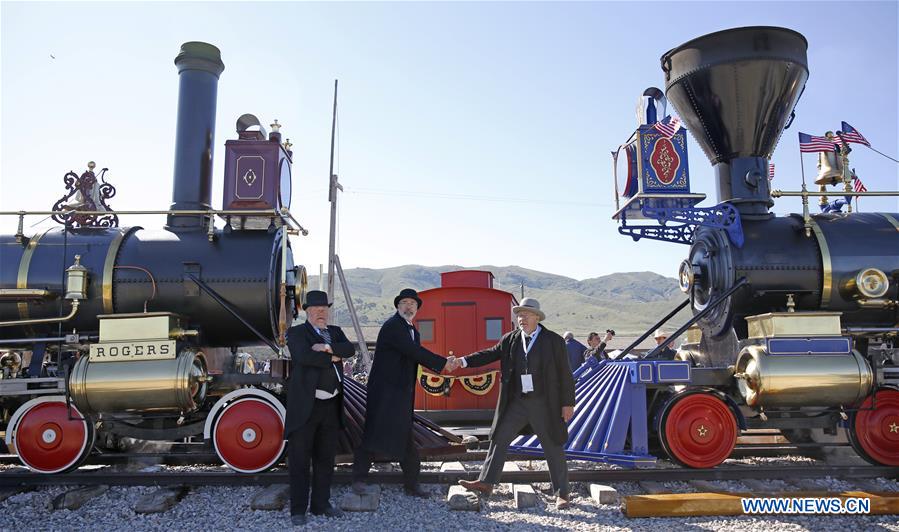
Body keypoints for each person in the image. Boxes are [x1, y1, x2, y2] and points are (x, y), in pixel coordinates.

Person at [446, 297, 576, 509]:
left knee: (553, 445)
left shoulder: (553, 341)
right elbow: (488, 354)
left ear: (536, 317)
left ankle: (562, 493)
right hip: (517, 402)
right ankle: (486, 483)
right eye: (518, 315)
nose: (521, 318)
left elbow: (565, 374)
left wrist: (568, 403)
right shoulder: (510, 339)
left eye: (525, 314)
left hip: (545, 404)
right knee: (499, 437)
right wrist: (462, 361)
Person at [352, 288, 448, 498]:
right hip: (385, 392)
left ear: (417, 308)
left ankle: (411, 485)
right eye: (404, 302)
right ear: (397, 306)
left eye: (412, 303)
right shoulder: (393, 326)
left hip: (401, 393)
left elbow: (412, 358)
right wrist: (443, 364)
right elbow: (414, 352)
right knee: (373, 433)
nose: (408, 306)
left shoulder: (412, 329)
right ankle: (359, 479)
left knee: (406, 438)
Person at [284, 290, 355, 526]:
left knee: (326, 459)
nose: (321, 312)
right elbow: (304, 357)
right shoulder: (296, 333)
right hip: (306, 407)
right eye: (316, 308)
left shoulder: (333, 333)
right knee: (300, 460)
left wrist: (326, 349)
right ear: (307, 311)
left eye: (325, 308)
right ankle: (297, 510)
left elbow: (349, 350)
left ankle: (321, 504)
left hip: (331, 405)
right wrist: (334, 355)